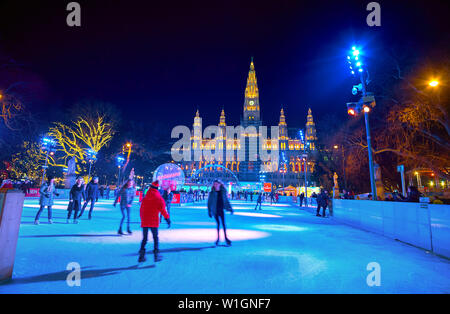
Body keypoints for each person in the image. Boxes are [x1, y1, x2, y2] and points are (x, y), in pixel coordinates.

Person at [138, 181, 171, 263]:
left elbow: (141, 209)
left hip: (145, 221)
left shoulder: (145, 197)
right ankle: (156, 255)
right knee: (155, 238)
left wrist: (142, 218)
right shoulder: (159, 198)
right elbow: (163, 210)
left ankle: (141, 255)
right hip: (153, 221)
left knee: (144, 239)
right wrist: (167, 219)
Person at [207, 179, 233, 246]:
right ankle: (218, 239)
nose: (215, 185)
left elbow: (226, 201)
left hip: (221, 210)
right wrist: (209, 211)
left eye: (216, 184)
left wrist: (230, 208)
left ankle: (226, 239)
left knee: (223, 224)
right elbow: (209, 203)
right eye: (214, 184)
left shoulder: (223, 192)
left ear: (220, 184)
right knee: (218, 224)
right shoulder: (212, 193)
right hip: (215, 210)